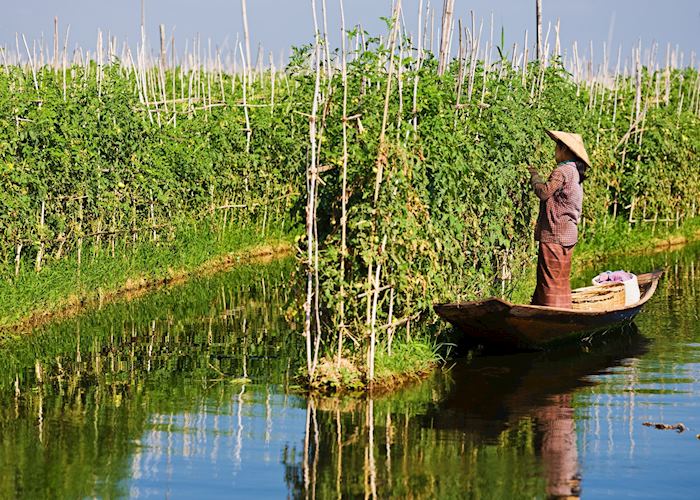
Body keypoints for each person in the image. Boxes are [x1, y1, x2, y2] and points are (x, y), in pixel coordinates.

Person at [527, 130, 590, 308]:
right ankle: (561, 309)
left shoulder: (562, 171)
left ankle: (551, 314)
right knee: (560, 280)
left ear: (564, 150)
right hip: (568, 234)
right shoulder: (575, 172)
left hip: (555, 232)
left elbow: (543, 192)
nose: (554, 151)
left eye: (557, 147)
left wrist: (534, 176)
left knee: (549, 281)